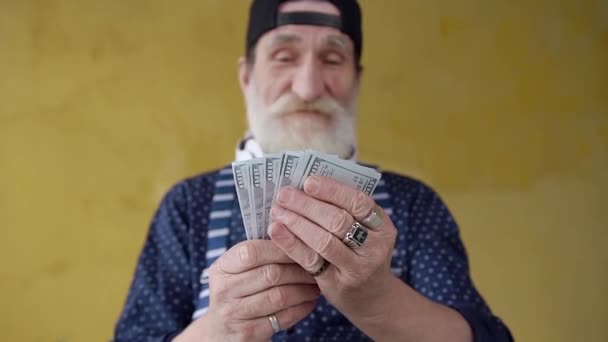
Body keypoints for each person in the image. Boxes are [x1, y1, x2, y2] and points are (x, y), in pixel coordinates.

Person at [114, 1, 514, 341]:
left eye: (333, 59)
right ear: (246, 76)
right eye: (284, 57)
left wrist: (381, 302)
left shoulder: (413, 204)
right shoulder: (188, 206)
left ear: (357, 79)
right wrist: (221, 327)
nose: (308, 87)